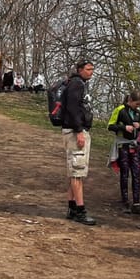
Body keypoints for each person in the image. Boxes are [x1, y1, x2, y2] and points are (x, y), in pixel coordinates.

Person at [62, 59, 96, 225]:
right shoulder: (77, 84)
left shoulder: (76, 83)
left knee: (73, 171)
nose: (91, 72)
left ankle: (72, 207)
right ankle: (80, 210)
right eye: (88, 69)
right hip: (75, 132)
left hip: (75, 131)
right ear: (80, 70)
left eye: (92, 69)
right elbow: (73, 108)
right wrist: (79, 131)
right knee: (77, 171)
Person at [107, 91, 140, 213]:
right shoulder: (120, 109)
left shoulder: (138, 112)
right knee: (124, 172)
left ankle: (137, 202)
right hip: (122, 144)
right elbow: (110, 126)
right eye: (136, 104)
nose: (137, 106)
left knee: (136, 172)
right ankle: (125, 201)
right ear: (130, 101)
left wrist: (139, 126)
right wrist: (124, 127)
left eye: (139, 104)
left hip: (134, 145)